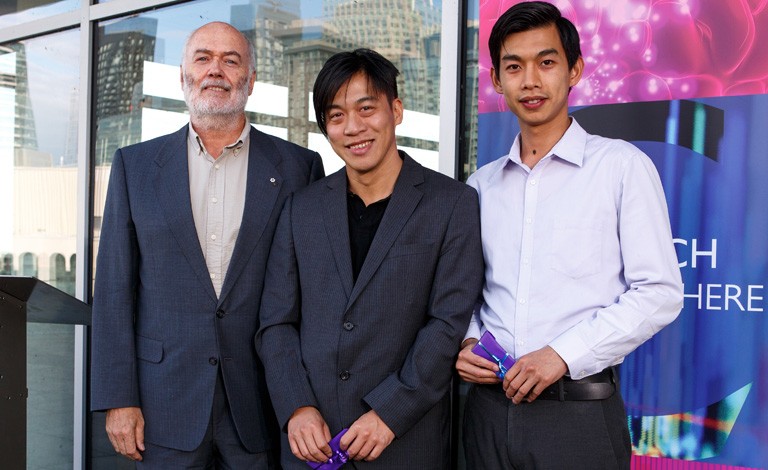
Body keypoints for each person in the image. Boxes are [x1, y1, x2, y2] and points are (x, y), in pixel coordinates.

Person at [455, 2, 684, 468]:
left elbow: (660, 292)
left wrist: (562, 354)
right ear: (497, 80)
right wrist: (467, 339)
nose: (531, 81)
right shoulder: (480, 186)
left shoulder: (621, 168)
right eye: (513, 67)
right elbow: (464, 291)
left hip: (578, 416)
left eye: (547, 62)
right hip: (485, 413)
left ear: (574, 69)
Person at [90, 21, 324, 468]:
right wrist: (118, 397)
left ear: (250, 81)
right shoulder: (135, 167)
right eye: (203, 58)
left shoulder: (299, 168)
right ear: (183, 78)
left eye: (231, 60)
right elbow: (115, 292)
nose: (216, 69)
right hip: (163, 405)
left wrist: (305, 399)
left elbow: (311, 296)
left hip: (261, 402)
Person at [255, 48, 484, 469]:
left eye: (366, 108)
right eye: (336, 115)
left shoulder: (451, 203)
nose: (353, 127)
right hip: (314, 443)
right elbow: (276, 322)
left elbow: (447, 323)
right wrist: (296, 407)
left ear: (396, 110)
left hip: (405, 442)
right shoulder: (300, 209)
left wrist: (389, 412)